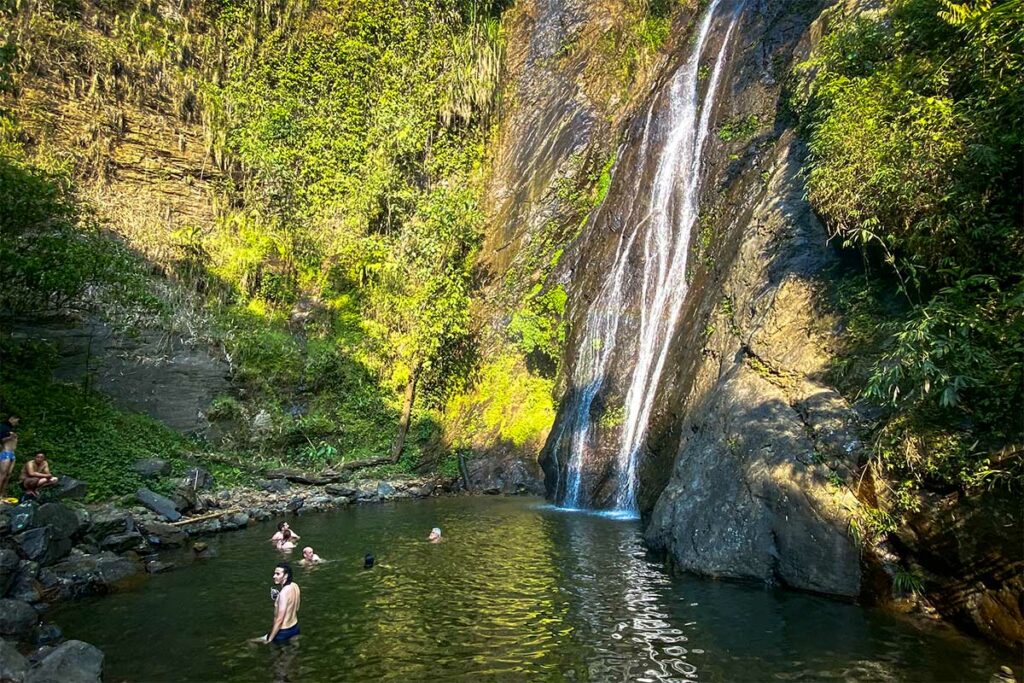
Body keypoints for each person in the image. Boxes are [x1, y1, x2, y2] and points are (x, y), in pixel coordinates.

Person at [260, 563, 301, 644]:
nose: (274, 576)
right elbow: (297, 607)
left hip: (283, 631)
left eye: (278, 574)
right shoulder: (295, 586)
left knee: (251, 641)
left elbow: (279, 620)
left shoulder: (283, 594)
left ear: (286, 576)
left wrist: (270, 639)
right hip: (295, 628)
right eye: (274, 573)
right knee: (292, 653)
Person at [0, 432, 18, 500]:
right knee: (2, 475)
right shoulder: (5, 430)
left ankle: (2, 494)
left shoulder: (12, 432)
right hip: (6, 453)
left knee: (8, 475)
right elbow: (2, 440)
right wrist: (10, 437)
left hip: (12, 454)